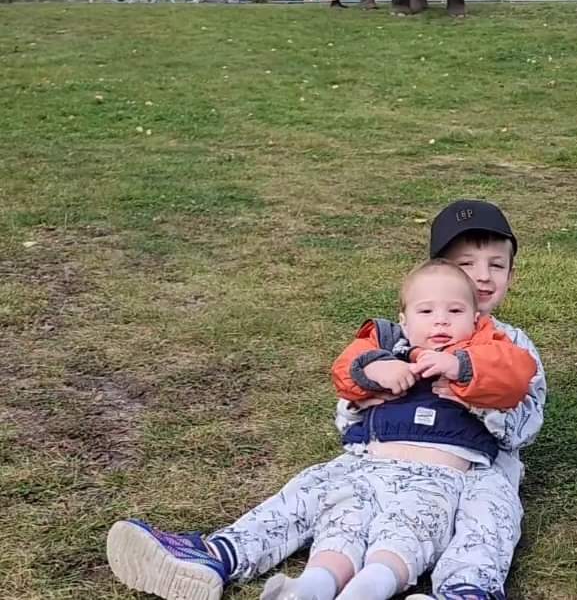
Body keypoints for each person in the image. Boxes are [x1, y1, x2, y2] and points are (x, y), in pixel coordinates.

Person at [106, 200, 546, 600]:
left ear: (511, 273)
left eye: (497, 265)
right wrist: (371, 388)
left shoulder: (512, 343)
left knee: (488, 518)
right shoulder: (396, 338)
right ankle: (219, 554)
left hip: (465, 465)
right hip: (375, 458)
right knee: (307, 492)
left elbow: (525, 422)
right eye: (466, 265)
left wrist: (467, 390)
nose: (483, 277)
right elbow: (347, 400)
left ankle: (466, 590)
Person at [260, 259, 537, 600]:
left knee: (404, 531)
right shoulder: (389, 344)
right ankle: (312, 586)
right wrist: (374, 368)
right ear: (405, 321)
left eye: (454, 311)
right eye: (426, 312)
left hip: (439, 473)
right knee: (344, 521)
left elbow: (515, 374)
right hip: (372, 464)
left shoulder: (487, 347)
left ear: (476, 319)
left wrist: (460, 366)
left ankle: (366, 590)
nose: (440, 320)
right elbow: (346, 368)